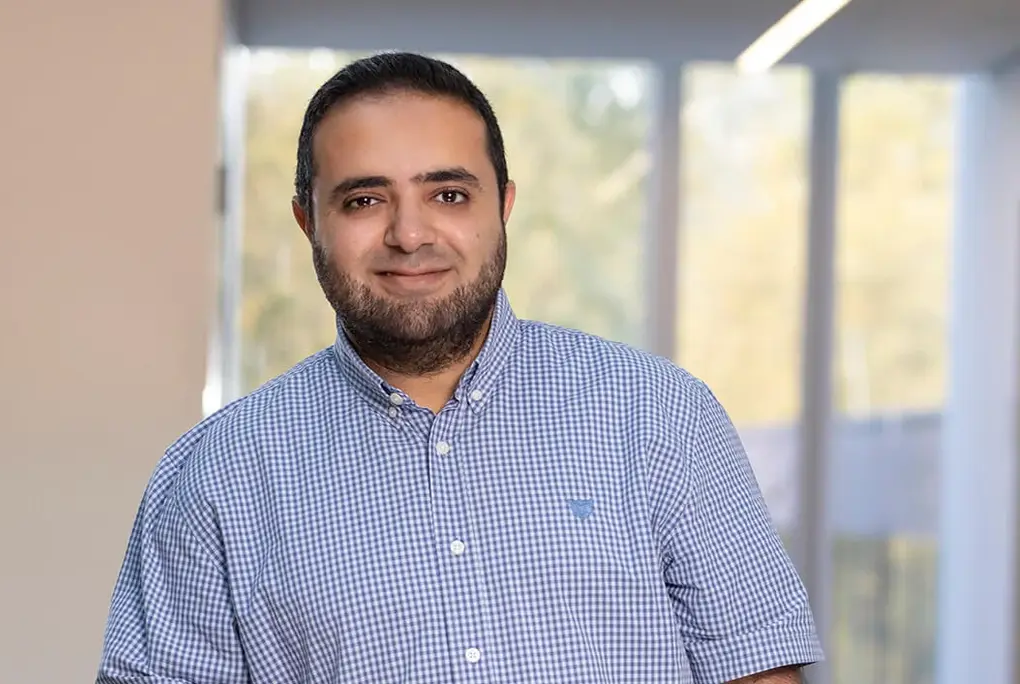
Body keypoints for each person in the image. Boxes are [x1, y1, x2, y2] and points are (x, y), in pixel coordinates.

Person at [96, 52, 824, 684]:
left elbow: (757, 670)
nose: (409, 234)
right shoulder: (214, 476)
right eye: (363, 199)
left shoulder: (662, 417)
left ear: (502, 206)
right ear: (308, 221)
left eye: (447, 194)